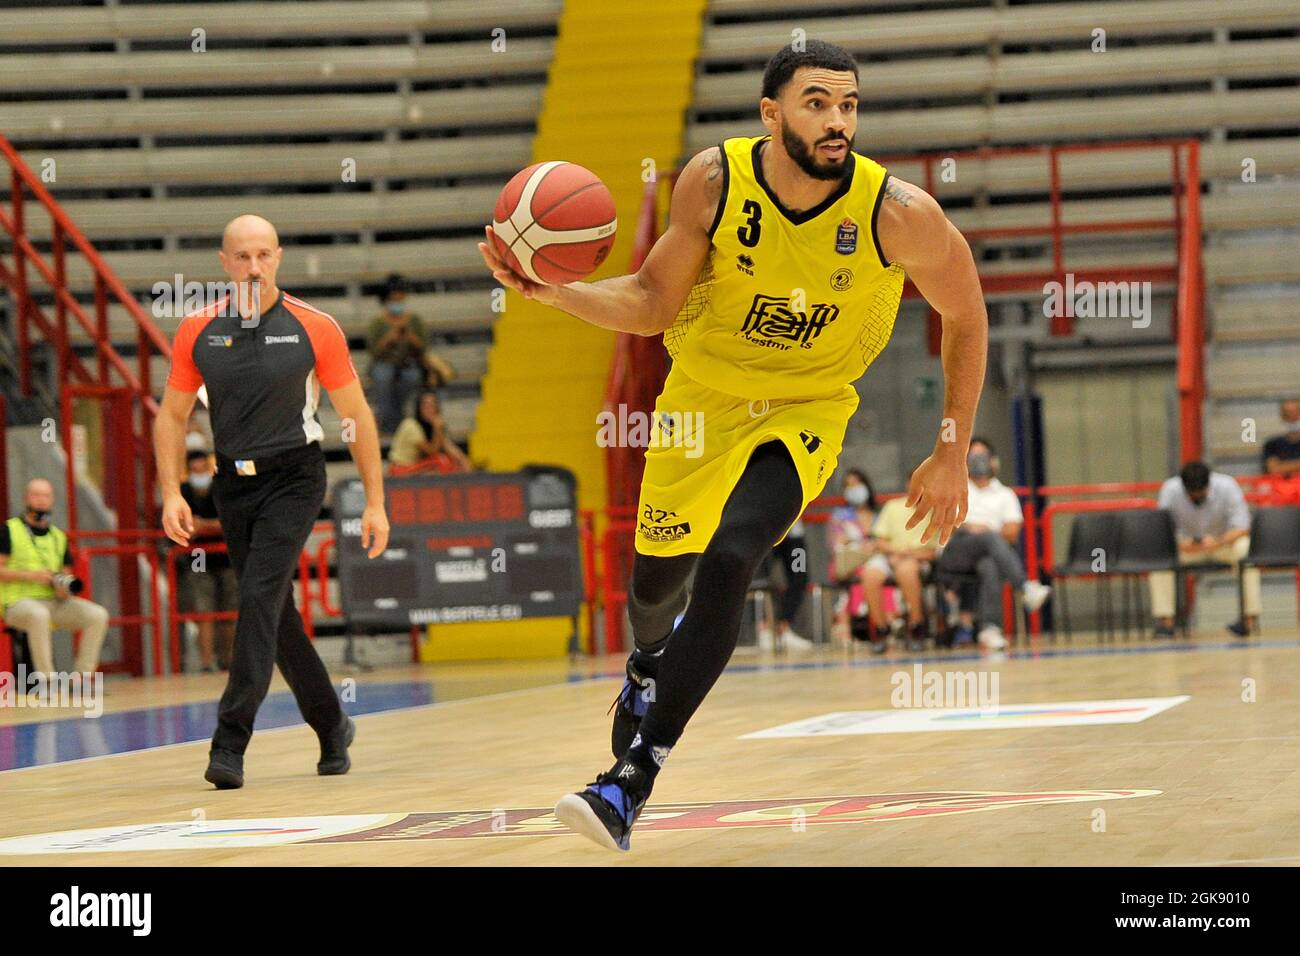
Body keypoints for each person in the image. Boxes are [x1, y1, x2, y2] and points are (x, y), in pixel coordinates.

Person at [483, 41, 989, 851]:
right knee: (654, 588)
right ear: (772, 113)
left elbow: (965, 314)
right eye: (818, 102)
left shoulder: (898, 212)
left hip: (806, 407)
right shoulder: (715, 182)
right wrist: (558, 292)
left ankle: (631, 781)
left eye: (849, 104)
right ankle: (648, 663)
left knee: (733, 556)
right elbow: (651, 302)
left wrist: (952, 447)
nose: (838, 120)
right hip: (700, 402)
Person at [155, 213, 390, 790]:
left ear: (278, 257)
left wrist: (376, 504)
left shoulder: (316, 327)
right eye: (242, 257)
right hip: (232, 484)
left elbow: (356, 416)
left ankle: (229, 742)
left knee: (257, 596)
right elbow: (171, 415)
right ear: (224, 263)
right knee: (276, 615)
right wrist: (168, 492)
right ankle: (332, 723)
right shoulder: (198, 330)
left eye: (264, 255)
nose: (254, 267)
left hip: (296, 478)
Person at [933, 438, 1050, 650]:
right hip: (955, 553)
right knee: (990, 539)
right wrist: (971, 528)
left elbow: (1012, 533)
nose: (978, 462)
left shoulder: (1006, 495)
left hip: (990, 552)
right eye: (973, 457)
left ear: (993, 461)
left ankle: (990, 629)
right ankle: (1024, 587)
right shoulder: (955, 490)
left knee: (989, 565)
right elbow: (946, 525)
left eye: (982, 456)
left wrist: (986, 531)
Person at [0, 478, 110, 684]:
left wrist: (62, 588)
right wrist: (31, 576)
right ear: (26, 498)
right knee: (38, 615)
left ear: (52, 500)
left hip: (54, 601)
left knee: (97, 615)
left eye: (46, 496)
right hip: (16, 604)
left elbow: (65, 574)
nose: (41, 500)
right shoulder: (9, 530)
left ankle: (81, 680)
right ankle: (47, 681)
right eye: (36, 495)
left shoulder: (59, 537)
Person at [1149, 460, 1259, 638]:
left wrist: (1219, 541)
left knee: (1245, 550)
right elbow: (1162, 530)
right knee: (1161, 558)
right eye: (1192, 493)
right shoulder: (1170, 489)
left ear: (1209, 483)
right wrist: (1181, 544)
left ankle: (1248, 619)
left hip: (1223, 544)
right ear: (1184, 487)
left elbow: (1243, 526)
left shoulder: (1227, 486)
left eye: (1201, 491)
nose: (1197, 496)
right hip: (1189, 547)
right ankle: (1166, 622)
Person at [177, 449, 238, 672]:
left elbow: (233, 519)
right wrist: (194, 526)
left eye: (202, 466)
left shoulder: (221, 487)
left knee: (230, 610)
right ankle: (205, 662)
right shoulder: (182, 492)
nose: (199, 471)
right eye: (194, 468)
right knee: (204, 610)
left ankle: (228, 659)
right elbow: (181, 524)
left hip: (226, 555)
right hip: (197, 555)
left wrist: (205, 525)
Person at [863, 492, 940, 652]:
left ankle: (916, 625)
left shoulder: (936, 511)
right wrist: (895, 552)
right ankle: (881, 629)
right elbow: (879, 540)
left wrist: (908, 555)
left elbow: (934, 552)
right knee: (870, 574)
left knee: (906, 570)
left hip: (918, 558)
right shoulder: (893, 506)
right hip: (889, 555)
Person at [826, 469, 881, 649]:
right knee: (863, 575)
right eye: (848, 485)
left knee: (874, 572)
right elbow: (836, 544)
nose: (854, 488)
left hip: (875, 563)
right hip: (848, 564)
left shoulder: (879, 515)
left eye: (857, 483)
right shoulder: (840, 516)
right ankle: (849, 631)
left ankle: (884, 625)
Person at [367, 273, 428, 433]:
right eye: (394, 300)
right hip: (384, 363)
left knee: (412, 377)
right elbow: (373, 351)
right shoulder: (378, 322)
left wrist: (411, 338)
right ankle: (385, 422)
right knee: (383, 377)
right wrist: (389, 339)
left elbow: (423, 347)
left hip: (408, 363)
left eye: (400, 300)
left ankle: (401, 420)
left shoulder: (414, 320)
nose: (398, 304)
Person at [757, 516, 813, 651]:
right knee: (761, 579)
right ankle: (764, 629)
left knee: (800, 577)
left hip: (794, 535)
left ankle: (784, 629)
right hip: (766, 533)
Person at [387, 389, 472, 474]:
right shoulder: (411, 425)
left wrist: (463, 460)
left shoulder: (430, 425)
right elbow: (432, 451)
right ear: (419, 408)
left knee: (451, 460)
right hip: (400, 469)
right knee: (441, 461)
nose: (430, 409)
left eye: (433, 405)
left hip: (415, 466)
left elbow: (447, 446)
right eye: (426, 406)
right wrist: (437, 428)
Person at [1262, 399, 1300, 478]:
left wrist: (1284, 466)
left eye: (1296, 413)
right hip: (1281, 488)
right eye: (1287, 414)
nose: (1292, 418)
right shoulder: (1272, 444)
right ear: (1282, 416)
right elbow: (1274, 469)